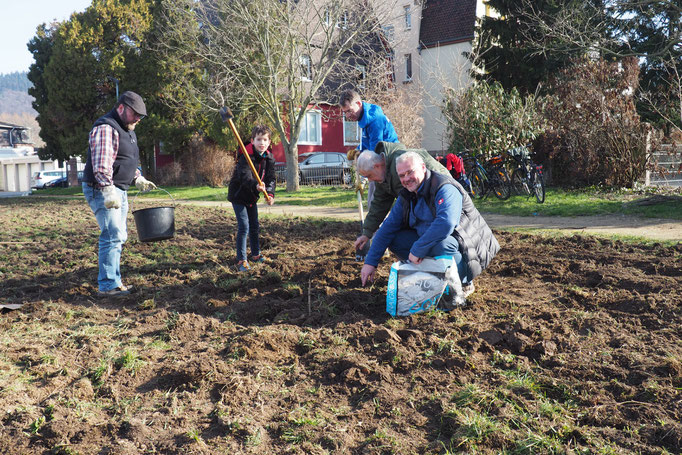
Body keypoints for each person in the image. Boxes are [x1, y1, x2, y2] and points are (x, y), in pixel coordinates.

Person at [360, 152, 499, 305]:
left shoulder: (444, 187)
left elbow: (446, 223)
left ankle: (463, 283)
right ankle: (429, 278)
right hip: (433, 240)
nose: (406, 179)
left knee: (441, 244)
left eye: (410, 172)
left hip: (468, 247)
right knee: (394, 238)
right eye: (401, 175)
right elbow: (387, 228)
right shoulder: (407, 195)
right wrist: (370, 262)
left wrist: (417, 249)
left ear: (423, 168)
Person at [82, 91, 157, 297]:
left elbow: (125, 159)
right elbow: (101, 164)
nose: (138, 119)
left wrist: (137, 177)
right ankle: (107, 286)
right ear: (121, 108)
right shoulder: (106, 127)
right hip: (103, 188)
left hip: (119, 188)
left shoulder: (128, 128)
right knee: (112, 233)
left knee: (119, 235)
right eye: (136, 114)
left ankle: (114, 281)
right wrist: (107, 190)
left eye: (141, 116)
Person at [353, 141, 450, 254]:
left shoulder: (399, 166)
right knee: (394, 237)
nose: (369, 180)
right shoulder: (383, 176)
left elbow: (409, 204)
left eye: (369, 175)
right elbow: (379, 204)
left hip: (438, 197)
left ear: (377, 166)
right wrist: (366, 233)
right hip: (425, 205)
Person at [227, 125, 276, 272]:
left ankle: (255, 255)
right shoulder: (245, 157)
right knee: (244, 227)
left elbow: (271, 178)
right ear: (252, 141)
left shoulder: (269, 158)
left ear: (269, 142)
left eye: (265, 140)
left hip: (252, 198)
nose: (262, 143)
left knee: (254, 227)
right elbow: (244, 176)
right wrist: (255, 185)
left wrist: (270, 193)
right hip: (239, 196)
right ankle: (241, 260)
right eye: (258, 139)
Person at [338, 89, 399, 208]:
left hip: (388, 160)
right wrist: (358, 150)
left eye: (349, 111)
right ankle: (375, 225)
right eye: (345, 112)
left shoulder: (375, 120)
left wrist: (363, 179)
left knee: (375, 202)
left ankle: (377, 226)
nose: (348, 115)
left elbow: (374, 153)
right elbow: (367, 142)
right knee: (373, 202)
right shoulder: (364, 119)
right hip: (379, 160)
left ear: (359, 104)